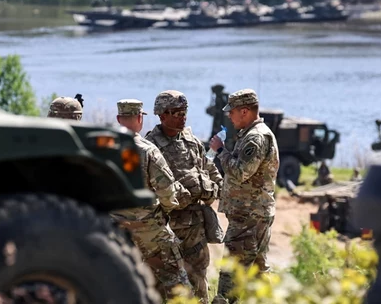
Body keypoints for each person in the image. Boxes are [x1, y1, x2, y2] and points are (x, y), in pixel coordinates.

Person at [109, 99, 194, 299]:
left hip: (115, 229)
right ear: (140, 118)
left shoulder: (104, 148)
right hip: (150, 231)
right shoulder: (148, 150)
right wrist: (166, 209)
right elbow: (167, 191)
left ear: (119, 119)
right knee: (177, 284)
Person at [145, 90, 224, 304]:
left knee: (198, 280)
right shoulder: (150, 146)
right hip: (167, 228)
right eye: (177, 112)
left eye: (185, 111)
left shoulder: (192, 140)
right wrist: (187, 191)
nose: (183, 117)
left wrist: (213, 187)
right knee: (163, 285)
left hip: (195, 229)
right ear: (162, 115)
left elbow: (208, 168)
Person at [208, 88, 279, 304]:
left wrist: (220, 151)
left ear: (245, 111)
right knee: (258, 273)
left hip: (248, 217)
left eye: (232, 112)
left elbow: (241, 172)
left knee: (231, 276)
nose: (229, 116)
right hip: (254, 215)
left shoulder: (255, 138)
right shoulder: (252, 134)